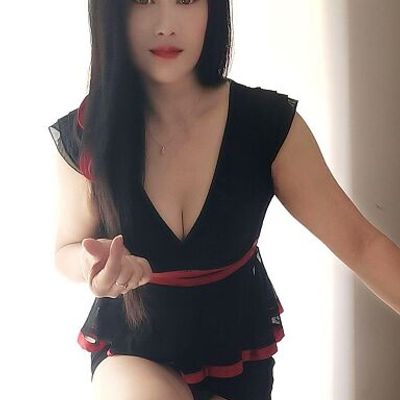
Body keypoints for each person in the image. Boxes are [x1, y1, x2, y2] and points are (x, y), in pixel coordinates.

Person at [49, 1, 400, 399]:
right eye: (143, 0)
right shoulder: (85, 133)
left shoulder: (267, 125)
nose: (166, 25)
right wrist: (90, 264)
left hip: (237, 352)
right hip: (134, 348)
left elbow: (362, 245)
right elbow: (66, 249)